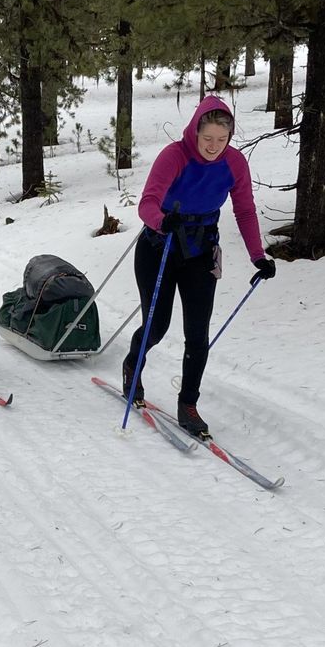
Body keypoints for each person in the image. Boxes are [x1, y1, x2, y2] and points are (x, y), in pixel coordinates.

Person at [123, 95, 276, 436]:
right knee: (156, 325)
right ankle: (133, 367)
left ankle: (188, 404)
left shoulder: (234, 163)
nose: (213, 146)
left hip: (201, 250)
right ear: (195, 131)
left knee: (197, 334)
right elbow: (147, 202)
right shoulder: (174, 155)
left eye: (221, 140)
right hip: (159, 247)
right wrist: (163, 220)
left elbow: (245, 211)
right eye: (207, 138)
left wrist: (258, 256)